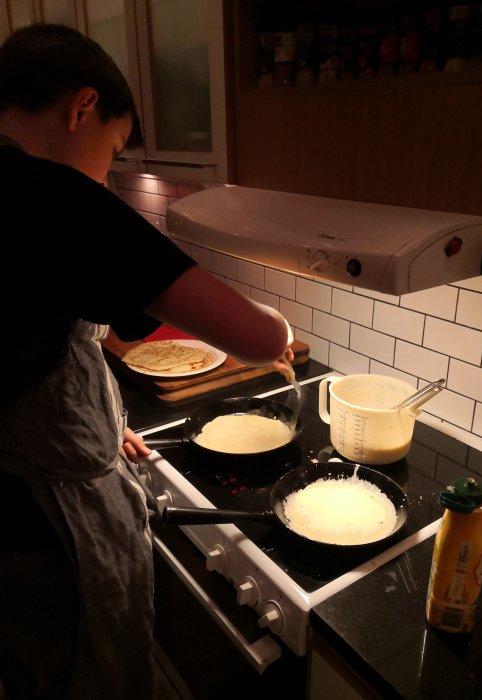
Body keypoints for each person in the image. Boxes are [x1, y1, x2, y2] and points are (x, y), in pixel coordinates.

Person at [0, 24, 293, 700]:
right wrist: (278, 325)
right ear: (80, 108)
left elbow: (29, 337)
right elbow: (255, 339)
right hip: (38, 527)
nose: (106, 170)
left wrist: (98, 426)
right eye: (110, 148)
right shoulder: (54, 199)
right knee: (86, 680)